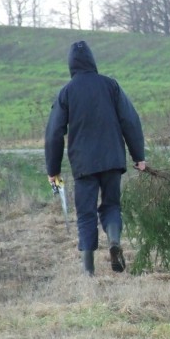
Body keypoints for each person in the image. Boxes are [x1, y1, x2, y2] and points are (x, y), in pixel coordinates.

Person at [45, 41, 146, 276]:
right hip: (112, 159)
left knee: (86, 214)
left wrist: (53, 169)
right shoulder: (111, 86)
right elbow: (130, 121)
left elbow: (53, 134)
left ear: (71, 65)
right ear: (92, 60)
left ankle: (89, 273)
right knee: (111, 205)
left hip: (84, 165)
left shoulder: (67, 92)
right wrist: (139, 156)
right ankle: (113, 241)